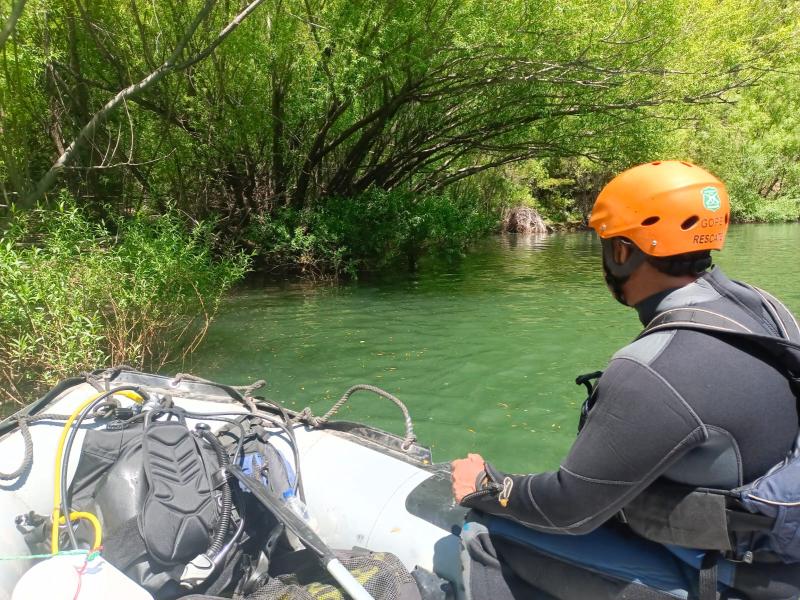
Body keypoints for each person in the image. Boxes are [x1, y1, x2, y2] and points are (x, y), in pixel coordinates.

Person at [450, 160, 800, 600]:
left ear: (622, 251)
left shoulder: (653, 368)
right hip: (778, 560)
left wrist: (487, 486)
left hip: (725, 580)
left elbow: (568, 510)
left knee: (487, 530)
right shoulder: (766, 310)